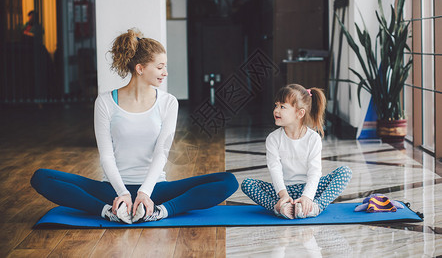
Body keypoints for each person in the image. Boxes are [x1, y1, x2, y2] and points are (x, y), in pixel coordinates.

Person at [31, 28, 238, 224]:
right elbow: (106, 156)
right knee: (41, 177)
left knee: (228, 181)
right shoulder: (104, 102)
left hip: (155, 189)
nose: (165, 72)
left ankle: (158, 211)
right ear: (140, 69)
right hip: (112, 190)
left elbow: (161, 153)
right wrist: (122, 193)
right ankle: (109, 211)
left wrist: (144, 193)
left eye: (165, 66)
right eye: (159, 67)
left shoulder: (168, 102)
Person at [241, 84, 352, 219]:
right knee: (247, 184)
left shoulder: (313, 138)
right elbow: (274, 169)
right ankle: (280, 207)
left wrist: (307, 197)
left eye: (282, 107)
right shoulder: (273, 139)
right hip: (283, 190)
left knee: (345, 172)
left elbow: (314, 171)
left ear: (300, 113)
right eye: (276, 105)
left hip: (309, 189)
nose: (276, 110)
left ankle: (314, 206)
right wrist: (283, 196)